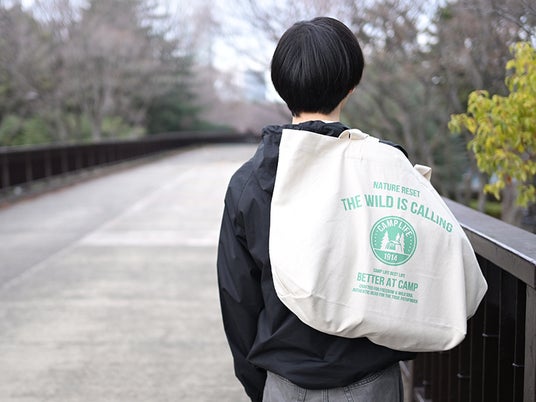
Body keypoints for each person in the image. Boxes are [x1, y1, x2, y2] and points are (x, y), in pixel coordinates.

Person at [217, 17, 415, 402]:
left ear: (281, 86)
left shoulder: (248, 182)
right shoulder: (388, 168)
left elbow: (237, 298)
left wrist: (260, 384)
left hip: (284, 381)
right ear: (352, 84)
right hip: (371, 380)